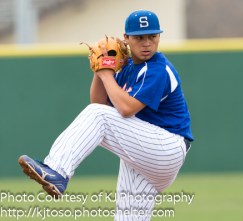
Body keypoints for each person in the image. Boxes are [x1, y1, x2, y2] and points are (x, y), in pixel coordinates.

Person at [18, 9, 193, 220]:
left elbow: (123, 109)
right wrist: (99, 72)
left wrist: (106, 73)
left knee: (98, 116)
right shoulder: (128, 68)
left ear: (158, 37)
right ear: (126, 38)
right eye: (139, 37)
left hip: (166, 147)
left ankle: (57, 170)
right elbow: (99, 103)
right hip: (144, 153)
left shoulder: (158, 68)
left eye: (152, 36)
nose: (147, 43)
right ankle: (57, 172)